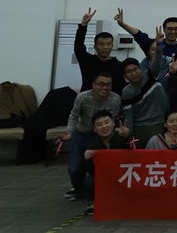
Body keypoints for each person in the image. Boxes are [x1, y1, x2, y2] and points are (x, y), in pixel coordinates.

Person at [63, 72, 121, 201]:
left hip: (101, 136)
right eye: (101, 84)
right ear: (93, 85)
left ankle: (93, 189)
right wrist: (69, 133)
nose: (105, 88)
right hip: (81, 132)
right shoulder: (82, 97)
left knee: (97, 166)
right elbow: (73, 116)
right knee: (75, 167)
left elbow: (111, 121)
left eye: (108, 85)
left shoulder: (115, 99)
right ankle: (78, 189)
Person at [80, 110, 132, 215]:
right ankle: (94, 202)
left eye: (107, 122)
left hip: (124, 175)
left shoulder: (122, 136)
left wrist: (128, 137)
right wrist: (86, 159)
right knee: (89, 181)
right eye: (99, 125)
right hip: (104, 178)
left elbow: (136, 152)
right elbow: (91, 171)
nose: (104, 126)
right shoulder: (92, 144)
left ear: (113, 123)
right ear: (95, 129)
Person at [119, 56, 169, 147]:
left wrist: (158, 49)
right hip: (140, 129)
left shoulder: (151, 75)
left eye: (135, 69)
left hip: (161, 125)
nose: (133, 73)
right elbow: (129, 117)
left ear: (141, 69)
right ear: (124, 76)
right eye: (129, 72)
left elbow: (157, 60)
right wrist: (130, 137)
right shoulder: (126, 92)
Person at [75, 8, 125, 94]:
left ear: (112, 46)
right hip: (87, 100)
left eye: (108, 44)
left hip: (111, 101)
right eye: (101, 44)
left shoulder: (119, 66)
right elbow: (78, 47)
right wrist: (83, 26)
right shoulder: (87, 61)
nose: (105, 47)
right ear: (95, 47)